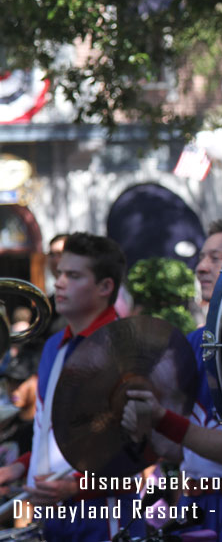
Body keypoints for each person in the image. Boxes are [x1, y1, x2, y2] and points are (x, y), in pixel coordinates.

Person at [123, 218, 222, 542]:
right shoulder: (190, 343)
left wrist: (162, 420)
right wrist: (141, 427)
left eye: (216, 258)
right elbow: (178, 452)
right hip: (195, 506)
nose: (201, 268)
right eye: (201, 258)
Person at [0, 232, 142, 541]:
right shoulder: (55, 346)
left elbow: (138, 461)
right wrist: (20, 467)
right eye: (60, 273)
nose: (59, 282)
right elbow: (52, 436)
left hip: (103, 518)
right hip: (55, 516)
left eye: (73, 275)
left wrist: (75, 487)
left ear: (105, 287)